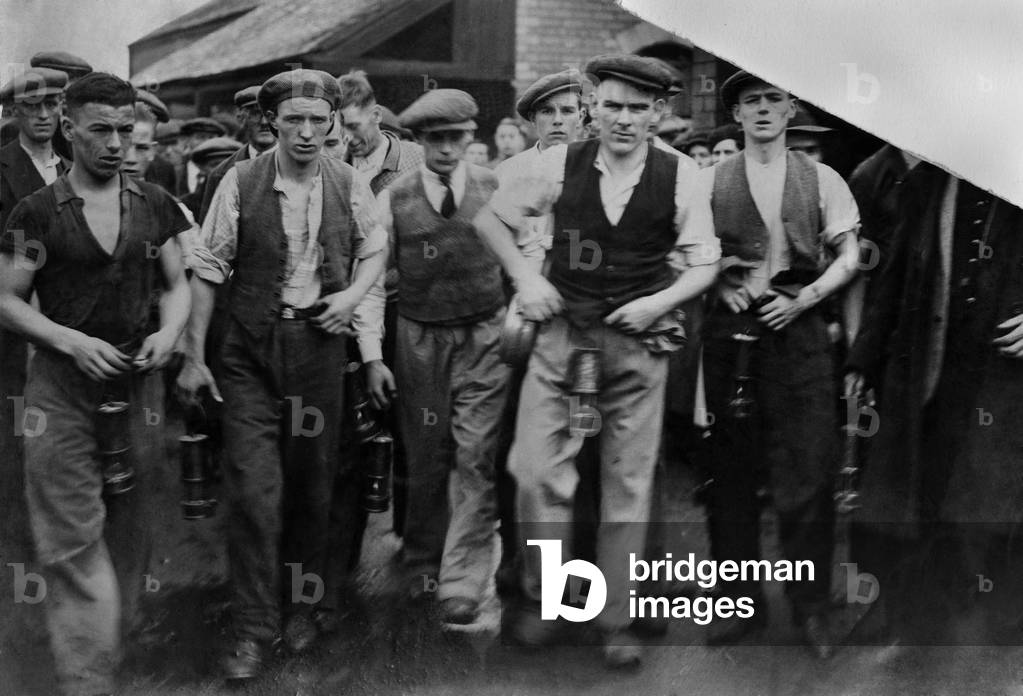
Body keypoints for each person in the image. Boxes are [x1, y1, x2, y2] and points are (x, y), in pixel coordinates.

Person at [474, 53, 720, 668]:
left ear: (660, 113)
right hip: (561, 338)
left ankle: (616, 620)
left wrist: (659, 302)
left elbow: (706, 261)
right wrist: (526, 280)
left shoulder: (683, 175)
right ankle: (550, 604)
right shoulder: (560, 164)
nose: (625, 119)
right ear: (594, 109)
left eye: (639, 108)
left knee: (627, 487)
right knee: (534, 473)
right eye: (612, 105)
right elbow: (490, 220)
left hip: (636, 345)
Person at [176, 68, 387, 680]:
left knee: (313, 487)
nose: (306, 132)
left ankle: (303, 606)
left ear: (332, 125)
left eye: (319, 121)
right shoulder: (241, 180)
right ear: (271, 122)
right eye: (293, 119)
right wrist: (194, 358)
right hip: (249, 352)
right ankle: (251, 627)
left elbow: (377, 247)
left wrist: (352, 299)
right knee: (254, 491)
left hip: (319, 348)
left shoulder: (348, 181)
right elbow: (209, 269)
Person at [0, 72, 191, 696]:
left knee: (132, 522)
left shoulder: (155, 203)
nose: (115, 143)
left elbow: (178, 284)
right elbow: (7, 299)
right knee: (71, 534)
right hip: (59, 391)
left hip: (137, 386)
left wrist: (171, 334)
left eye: (125, 130)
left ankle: (117, 640)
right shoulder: (37, 211)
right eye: (101, 130)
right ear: (68, 128)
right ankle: (88, 679)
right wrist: (70, 341)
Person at [698, 71, 860, 659]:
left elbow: (848, 257)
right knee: (731, 475)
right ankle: (738, 609)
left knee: (809, 471)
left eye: (773, 99)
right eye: (750, 102)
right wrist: (716, 280)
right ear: (736, 115)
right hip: (733, 340)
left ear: (791, 108)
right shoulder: (708, 180)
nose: (762, 110)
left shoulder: (824, 179)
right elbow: (681, 251)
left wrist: (809, 298)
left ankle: (814, 608)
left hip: (801, 338)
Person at [845, 168, 1023, 645]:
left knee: (1005, 492)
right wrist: (864, 356)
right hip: (937, 365)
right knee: (930, 486)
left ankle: (1007, 613)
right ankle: (925, 615)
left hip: (1009, 369)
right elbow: (895, 276)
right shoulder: (928, 183)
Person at [356, 88, 509, 626]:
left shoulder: (496, 187)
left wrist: (518, 312)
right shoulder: (394, 198)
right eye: (435, 140)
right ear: (419, 142)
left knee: (476, 455)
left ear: (471, 138)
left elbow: (529, 249)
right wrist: (373, 356)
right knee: (425, 456)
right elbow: (371, 281)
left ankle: (463, 578)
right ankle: (423, 560)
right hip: (419, 340)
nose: (446, 149)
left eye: (456, 139)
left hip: (484, 335)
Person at [0, 67, 71, 581]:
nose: (44, 116)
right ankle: (20, 570)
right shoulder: (1, 168)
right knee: (18, 445)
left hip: (69, 325)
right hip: (13, 326)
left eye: (53, 106)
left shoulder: (75, 166)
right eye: (32, 108)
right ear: (15, 114)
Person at [196, 85, 277, 223]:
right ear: (241, 119)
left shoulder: (301, 165)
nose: (264, 122)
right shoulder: (221, 174)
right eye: (256, 114)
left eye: (270, 115)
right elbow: (210, 233)